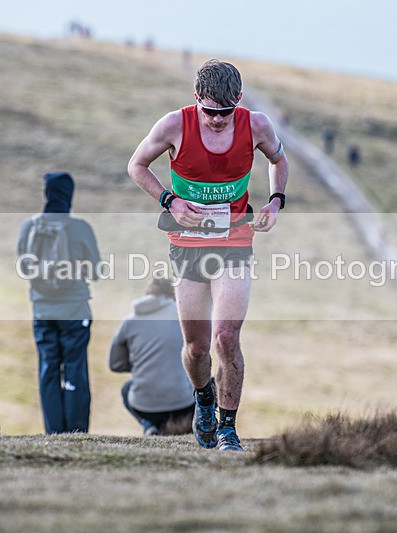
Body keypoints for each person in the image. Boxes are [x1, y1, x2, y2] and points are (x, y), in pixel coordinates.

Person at [127, 59, 289, 451]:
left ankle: (228, 428)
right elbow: (136, 165)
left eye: (226, 111)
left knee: (226, 337)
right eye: (210, 112)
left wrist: (275, 203)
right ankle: (203, 397)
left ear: (238, 100)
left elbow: (278, 160)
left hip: (235, 240)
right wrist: (171, 201)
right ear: (196, 98)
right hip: (186, 245)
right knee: (197, 348)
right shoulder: (174, 125)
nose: (218, 120)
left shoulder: (256, 125)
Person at [17, 171, 101, 433]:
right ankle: (76, 432)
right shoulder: (80, 228)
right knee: (75, 368)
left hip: (42, 310)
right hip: (75, 310)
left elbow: (24, 268)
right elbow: (96, 271)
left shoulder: (29, 227)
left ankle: (53, 432)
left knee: (48, 368)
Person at [109, 278, 194, 436]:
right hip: (183, 405)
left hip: (145, 407)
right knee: (201, 381)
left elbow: (115, 364)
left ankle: (148, 425)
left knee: (127, 389)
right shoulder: (183, 316)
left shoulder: (129, 321)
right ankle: (193, 427)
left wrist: (141, 364)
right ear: (174, 295)